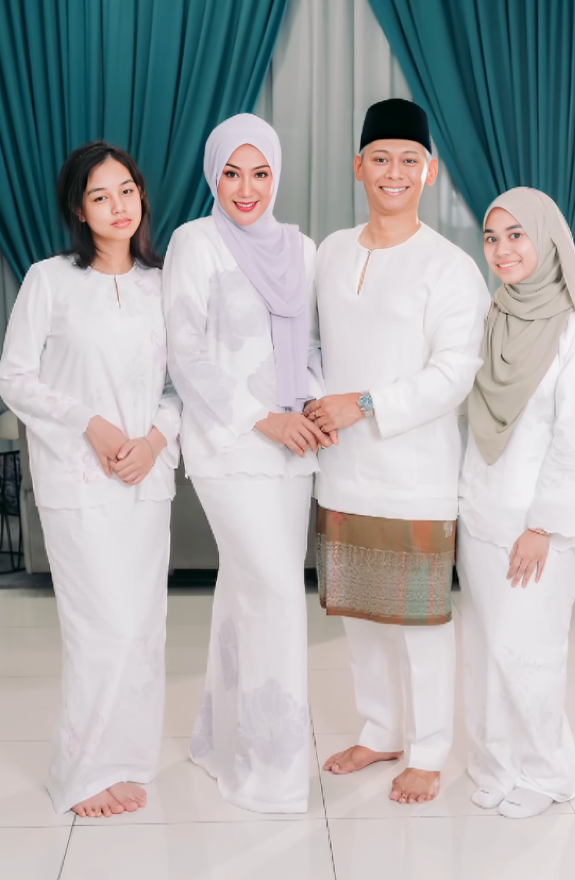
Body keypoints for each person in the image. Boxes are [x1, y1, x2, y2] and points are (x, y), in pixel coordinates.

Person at [306, 98, 490, 804]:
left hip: (414, 473)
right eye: (380, 158)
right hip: (339, 467)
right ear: (358, 166)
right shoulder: (331, 251)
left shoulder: (450, 267)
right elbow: (312, 346)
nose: (393, 171)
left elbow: (454, 373)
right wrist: (316, 404)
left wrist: (362, 404)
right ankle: (380, 729)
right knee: (359, 613)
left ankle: (429, 749)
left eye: (408, 160)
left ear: (429, 171)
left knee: (419, 619)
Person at [0, 142, 181, 817]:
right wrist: (91, 424)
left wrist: (154, 440)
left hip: (146, 480)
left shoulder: (164, 285)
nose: (118, 206)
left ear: (141, 196)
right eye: (100, 196)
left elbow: (183, 386)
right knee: (100, 627)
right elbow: (15, 377)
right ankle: (80, 773)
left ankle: (126, 759)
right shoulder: (48, 280)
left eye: (126, 190)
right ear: (79, 210)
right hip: (77, 482)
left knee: (142, 628)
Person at [163, 113, 331, 813]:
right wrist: (265, 418)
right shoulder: (195, 242)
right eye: (231, 173)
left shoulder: (302, 249)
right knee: (275, 596)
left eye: (260, 173)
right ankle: (271, 772)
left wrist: (311, 405)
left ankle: (218, 739)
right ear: (213, 175)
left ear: (276, 175)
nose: (246, 189)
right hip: (230, 446)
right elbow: (184, 352)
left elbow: (313, 345)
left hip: (293, 452)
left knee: (246, 593)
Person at [457, 187, 575, 818]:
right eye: (492, 237)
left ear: (546, 238)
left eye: (516, 235)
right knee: (485, 647)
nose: (502, 250)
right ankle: (497, 762)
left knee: (528, 648)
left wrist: (543, 526)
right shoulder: (494, 314)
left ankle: (552, 772)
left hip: (540, 525)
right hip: (482, 512)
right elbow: (473, 416)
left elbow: (574, 434)